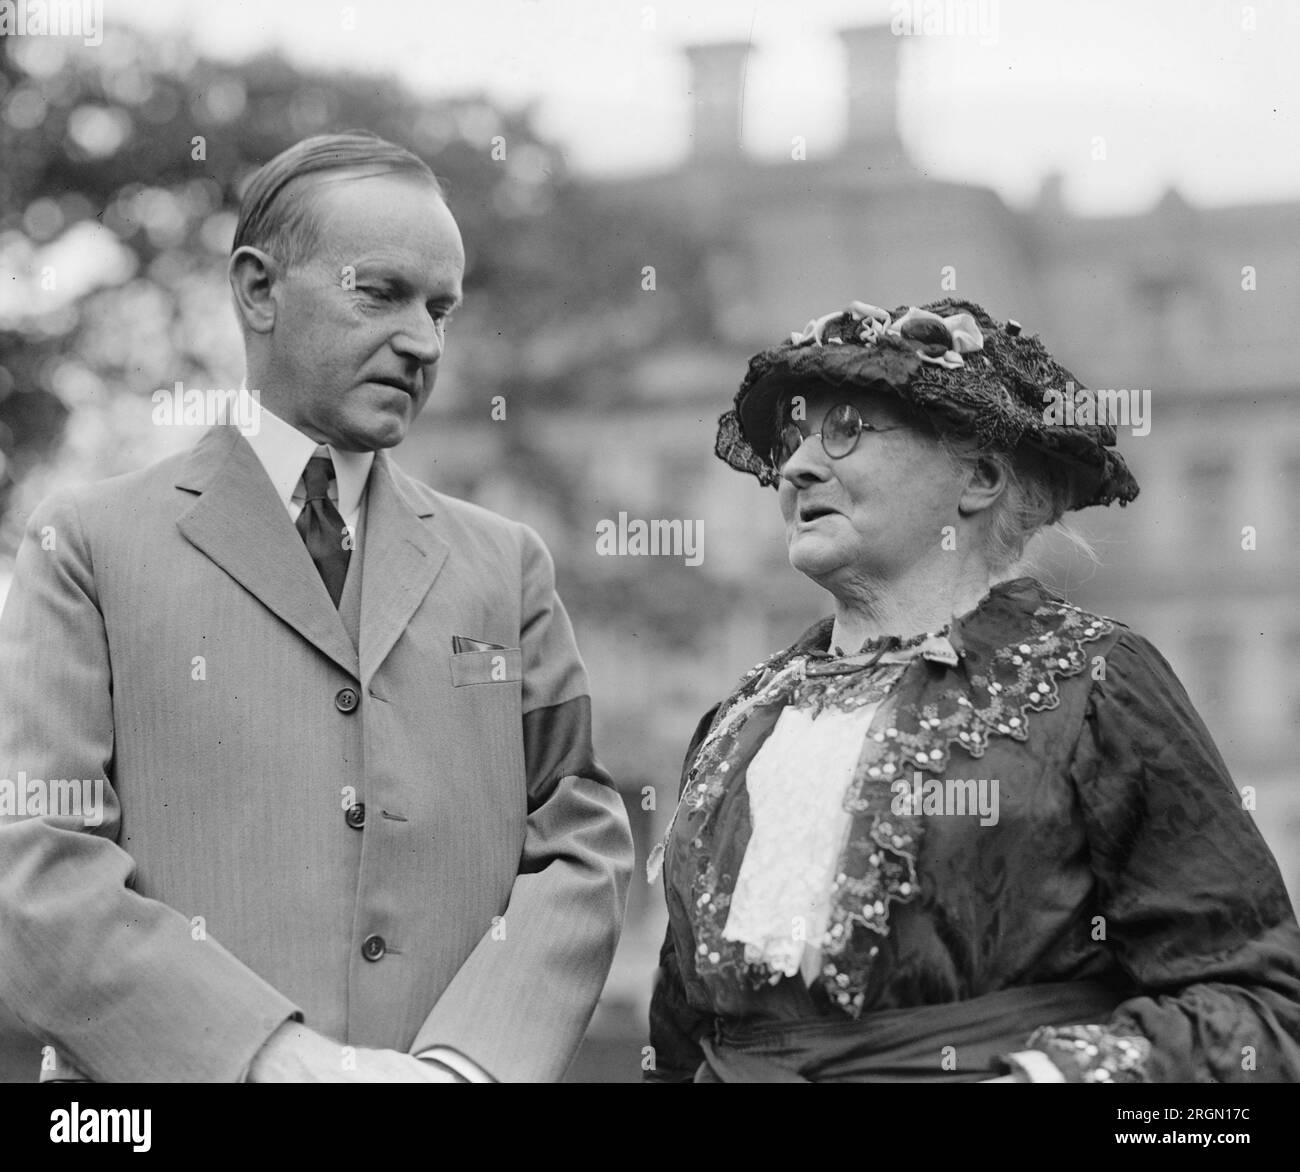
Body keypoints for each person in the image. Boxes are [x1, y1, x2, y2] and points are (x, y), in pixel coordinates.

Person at [0, 132, 633, 1083]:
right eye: (380, 292)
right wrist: (272, 1060)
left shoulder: (507, 567)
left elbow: (581, 838)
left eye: (441, 308)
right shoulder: (86, 545)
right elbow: (38, 863)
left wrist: (467, 1066)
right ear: (258, 289)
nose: (424, 341)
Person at [646, 297, 1300, 1083]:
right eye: (791, 439)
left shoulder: (1094, 682)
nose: (796, 467)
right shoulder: (739, 724)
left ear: (981, 477)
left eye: (847, 429)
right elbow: (677, 1039)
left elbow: (1259, 1004)